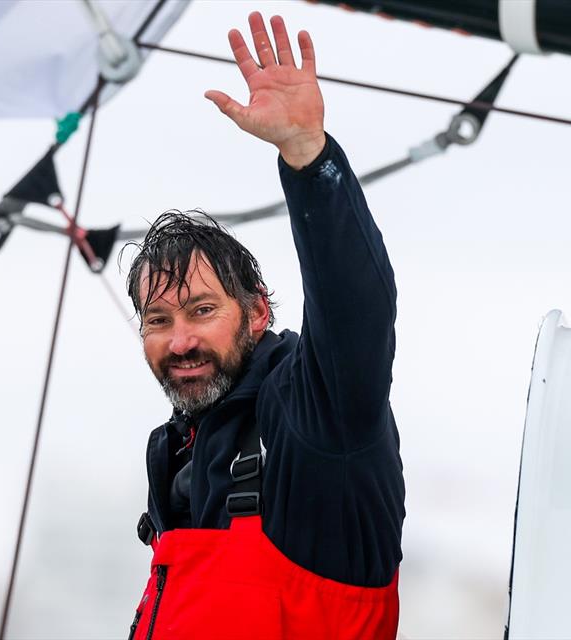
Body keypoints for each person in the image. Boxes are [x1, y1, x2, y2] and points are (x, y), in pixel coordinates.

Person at [125, 12, 404, 640]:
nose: (180, 341)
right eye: (157, 320)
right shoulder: (180, 455)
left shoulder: (317, 420)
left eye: (201, 311)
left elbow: (355, 314)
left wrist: (308, 159)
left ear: (257, 311)